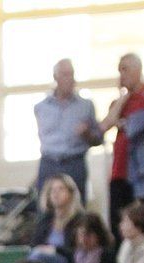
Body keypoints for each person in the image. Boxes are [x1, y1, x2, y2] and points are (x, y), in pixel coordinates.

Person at [96, 53, 144, 229]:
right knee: (118, 223)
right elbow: (105, 125)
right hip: (120, 171)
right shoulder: (120, 102)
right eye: (119, 71)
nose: (122, 74)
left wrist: (126, 123)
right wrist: (123, 97)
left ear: (138, 70)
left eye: (125, 69)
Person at [34, 59, 100, 198]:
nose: (70, 79)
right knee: (45, 206)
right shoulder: (41, 108)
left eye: (72, 74)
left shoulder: (86, 106)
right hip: (49, 164)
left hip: (75, 164)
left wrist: (87, 133)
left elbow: (97, 139)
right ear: (56, 77)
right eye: (65, 74)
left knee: (77, 206)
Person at [27, 174, 82, 263]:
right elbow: (34, 245)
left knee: (38, 256)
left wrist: (55, 250)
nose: (56, 193)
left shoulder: (79, 220)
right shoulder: (45, 220)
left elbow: (80, 251)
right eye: (52, 190)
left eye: (61, 189)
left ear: (71, 193)